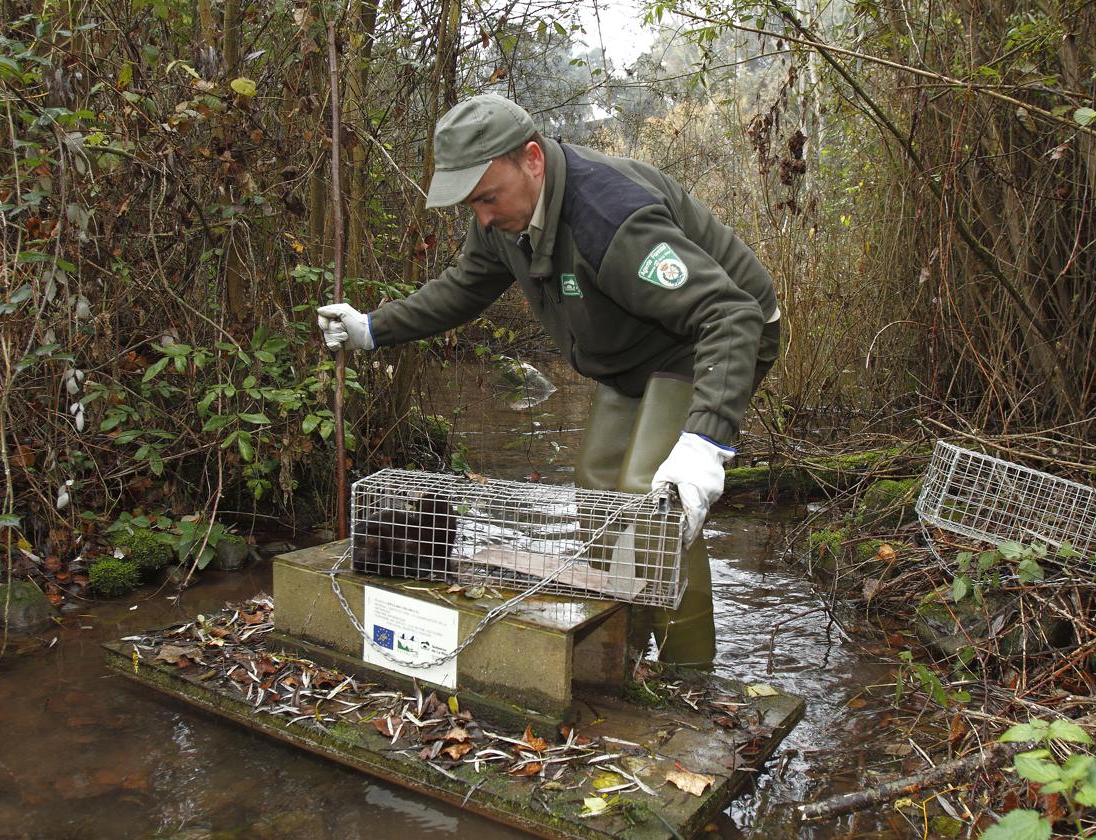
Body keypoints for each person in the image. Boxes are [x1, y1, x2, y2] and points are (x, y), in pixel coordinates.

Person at [318, 94, 782, 666]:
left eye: (488, 197)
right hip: (634, 351)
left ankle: (691, 675)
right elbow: (462, 287)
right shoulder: (500, 220)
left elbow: (729, 315)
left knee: (650, 496)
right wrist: (372, 327)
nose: (482, 216)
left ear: (532, 160)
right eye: (470, 203)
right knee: (596, 487)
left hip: (716, 333)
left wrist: (705, 442)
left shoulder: (609, 219)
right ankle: (624, 652)